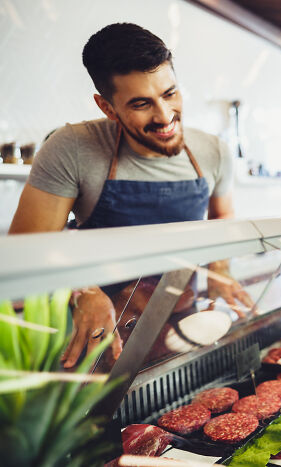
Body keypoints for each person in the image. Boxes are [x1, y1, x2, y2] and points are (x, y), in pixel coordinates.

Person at [9, 23, 253, 368]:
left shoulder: (213, 151)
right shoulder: (72, 148)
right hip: (100, 335)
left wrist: (221, 269)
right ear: (107, 107)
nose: (165, 116)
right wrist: (84, 291)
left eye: (170, 94)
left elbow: (223, 219)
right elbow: (29, 247)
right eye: (141, 104)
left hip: (181, 323)